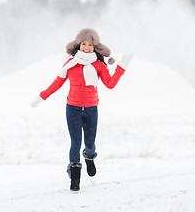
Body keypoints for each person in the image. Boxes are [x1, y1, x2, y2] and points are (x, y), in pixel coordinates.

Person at [31, 28, 133, 191]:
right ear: (78, 45)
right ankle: (75, 176)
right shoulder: (70, 64)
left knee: (90, 143)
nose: (86, 47)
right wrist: (42, 96)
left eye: (90, 44)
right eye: (83, 43)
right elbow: (57, 83)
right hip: (73, 108)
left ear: (95, 47)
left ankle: (90, 157)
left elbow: (110, 84)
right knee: (75, 141)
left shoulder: (99, 65)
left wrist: (122, 66)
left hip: (91, 109)